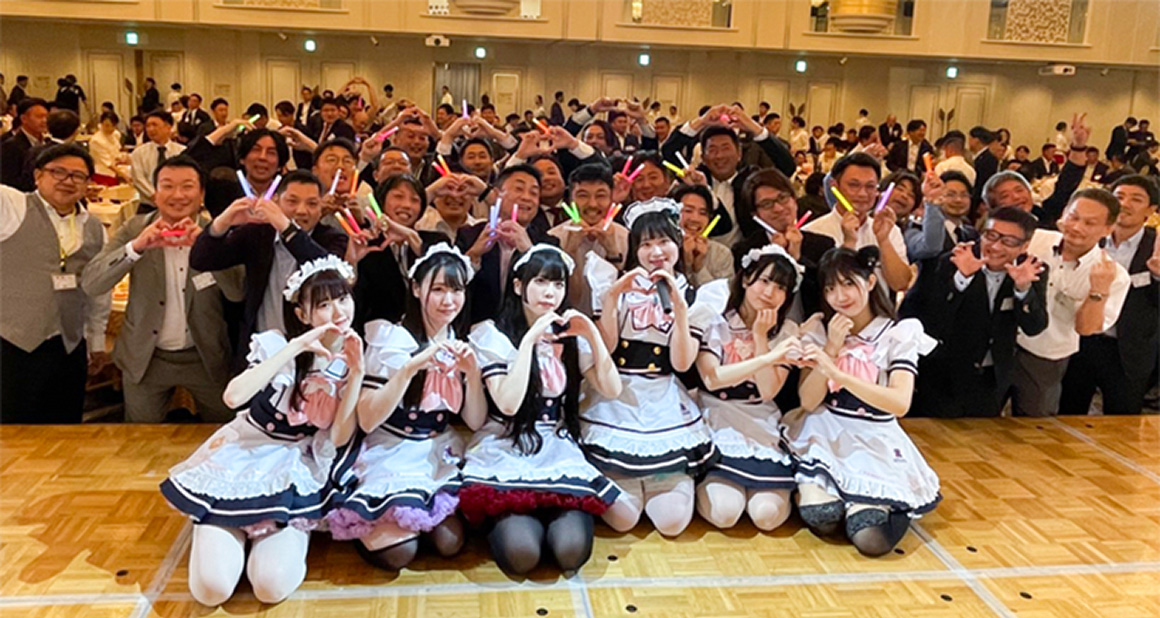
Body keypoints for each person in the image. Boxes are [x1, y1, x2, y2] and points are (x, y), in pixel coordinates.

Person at [160, 256, 362, 606]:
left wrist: (357, 373)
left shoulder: (355, 355)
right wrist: (296, 347)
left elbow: (340, 437)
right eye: (323, 304)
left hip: (295, 465)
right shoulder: (275, 344)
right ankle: (213, 520)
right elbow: (233, 397)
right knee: (211, 590)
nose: (338, 311)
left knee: (271, 586)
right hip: (243, 455)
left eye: (343, 299)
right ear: (302, 314)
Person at [463, 245, 622, 574]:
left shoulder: (568, 336)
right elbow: (508, 403)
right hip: (507, 444)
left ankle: (546, 510)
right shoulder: (492, 335)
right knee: (522, 555)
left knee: (570, 552)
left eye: (558, 284)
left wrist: (592, 335)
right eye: (540, 282)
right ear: (518, 286)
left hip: (556, 446)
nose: (550, 293)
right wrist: (530, 340)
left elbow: (612, 388)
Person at [331, 244, 484, 570]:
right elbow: (367, 419)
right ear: (416, 289)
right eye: (438, 289)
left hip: (436, 451)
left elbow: (474, 421)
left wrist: (472, 374)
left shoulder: (460, 341)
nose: (448, 300)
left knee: (450, 544)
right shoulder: (391, 339)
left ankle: (409, 525)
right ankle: (388, 526)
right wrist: (408, 369)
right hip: (391, 448)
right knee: (399, 554)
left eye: (456, 290)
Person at [782, 247, 940, 556]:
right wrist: (831, 347)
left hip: (875, 436)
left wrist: (838, 374)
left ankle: (885, 503)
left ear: (869, 282)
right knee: (823, 517)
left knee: (870, 539)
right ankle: (839, 498)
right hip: (828, 429)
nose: (840, 296)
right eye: (830, 288)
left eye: (848, 283)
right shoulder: (820, 329)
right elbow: (809, 401)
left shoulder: (897, 333)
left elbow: (899, 403)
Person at [580, 198, 717, 537]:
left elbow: (682, 362)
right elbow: (606, 348)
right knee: (624, 519)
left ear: (678, 243)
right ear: (635, 250)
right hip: (617, 396)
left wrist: (680, 310)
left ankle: (658, 477)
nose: (656, 252)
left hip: (664, 398)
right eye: (646, 244)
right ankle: (626, 476)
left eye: (664, 242)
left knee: (671, 523)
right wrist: (613, 295)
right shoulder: (615, 284)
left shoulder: (694, 295)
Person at [82, 156, 241, 423]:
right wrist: (135, 248)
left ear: (201, 194)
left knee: (223, 432)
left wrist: (209, 249)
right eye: (167, 186)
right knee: (140, 437)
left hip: (205, 356)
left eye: (187, 186)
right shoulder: (135, 228)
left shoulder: (217, 232)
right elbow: (92, 283)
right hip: (146, 357)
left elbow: (237, 292)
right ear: (155, 194)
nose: (177, 195)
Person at [190, 169, 349, 371]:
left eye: (312, 204)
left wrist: (286, 227)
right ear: (275, 201)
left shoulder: (333, 238)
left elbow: (329, 270)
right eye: (292, 201)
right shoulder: (258, 234)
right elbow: (201, 260)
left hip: (313, 353)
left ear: (321, 208)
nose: (302, 211)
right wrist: (223, 221)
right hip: (260, 349)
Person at [690, 245, 802, 532]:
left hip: (759, 417)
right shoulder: (716, 319)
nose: (770, 292)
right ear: (745, 279)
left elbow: (767, 391)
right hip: (716, 412)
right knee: (725, 513)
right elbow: (713, 379)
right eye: (764, 280)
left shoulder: (786, 331)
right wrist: (766, 358)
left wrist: (760, 337)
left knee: (767, 516)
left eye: (780, 287)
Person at [0, 144, 110, 423]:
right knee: (12, 430)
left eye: (78, 176)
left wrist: (96, 341)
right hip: (13, 342)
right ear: (38, 176)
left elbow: (98, 291)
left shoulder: (95, 228)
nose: (67, 181)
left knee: (66, 425)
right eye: (57, 172)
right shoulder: (13, 207)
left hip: (69, 346)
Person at [902, 207, 1048, 417]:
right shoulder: (954, 260)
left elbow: (1034, 327)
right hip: (945, 373)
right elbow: (933, 321)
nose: (995, 246)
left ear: (1024, 246)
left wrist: (1023, 289)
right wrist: (962, 279)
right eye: (991, 236)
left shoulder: (1032, 270)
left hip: (991, 376)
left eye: (1008, 241)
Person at [1012, 188, 1131, 416]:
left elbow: (1086, 329)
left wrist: (1098, 290)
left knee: (1032, 425)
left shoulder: (1114, 275)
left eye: (1090, 223)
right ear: (1064, 213)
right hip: (1002, 342)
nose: (1076, 227)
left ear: (1108, 228)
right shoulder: (1035, 239)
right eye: (1073, 217)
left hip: (1045, 355)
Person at [1060, 176, 1160, 415]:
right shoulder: (1089, 237)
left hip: (1128, 348)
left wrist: (1158, 277)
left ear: (1151, 210)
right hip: (1080, 341)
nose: (1125, 204)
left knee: (1123, 418)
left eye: (1136, 199)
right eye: (1119, 197)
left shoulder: (1156, 245)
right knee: (1069, 412)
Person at [662, 104, 795, 246]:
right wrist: (702, 121)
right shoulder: (694, 180)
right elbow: (668, 151)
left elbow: (787, 166)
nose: (719, 156)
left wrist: (754, 127)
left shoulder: (750, 180)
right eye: (712, 149)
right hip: (693, 249)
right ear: (703, 157)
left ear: (739, 154)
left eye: (726, 148)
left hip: (746, 253)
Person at [457, 164, 557, 324]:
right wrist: (474, 255)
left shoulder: (547, 243)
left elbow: (554, 295)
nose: (526, 197)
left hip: (527, 330)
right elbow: (453, 286)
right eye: (519, 189)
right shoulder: (469, 236)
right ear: (497, 195)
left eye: (534, 193)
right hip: (475, 329)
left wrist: (529, 252)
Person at [802, 153, 912, 292]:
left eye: (870, 186)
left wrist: (884, 240)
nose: (862, 194)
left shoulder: (889, 229)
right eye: (854, 185)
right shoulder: (813, 232)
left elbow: (901, 284)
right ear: (834, 186)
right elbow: (817, 289)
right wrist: (848, 243)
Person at [547, 164, 628, 312]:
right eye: (583, 196)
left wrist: (613, 253)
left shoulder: (627, 237)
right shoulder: (553, 238)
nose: (592, 204)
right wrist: (570, 252)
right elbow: (566, 299)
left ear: (611, 199)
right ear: (570, 200)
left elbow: (625, 298)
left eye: (601, 196)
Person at [673, 183, 734, 286]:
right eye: (688, 210)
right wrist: (686, 264)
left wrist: (699, 268)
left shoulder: (721, 253)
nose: (695, 218)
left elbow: (722, 294)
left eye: (703, 213)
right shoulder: (661, 250)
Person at [130, 111, 186, 205]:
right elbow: (138, 179)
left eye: (154, 125)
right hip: (148, 205)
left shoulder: (182, 151)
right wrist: (156, 196)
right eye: (148, 126)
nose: (151, 129)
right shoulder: (139, 153)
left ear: (168, 127)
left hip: (177, 204)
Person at [1, 98, 49, 191]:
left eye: (47, 117)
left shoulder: (47, 143)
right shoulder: (11, 146)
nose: (44, 120)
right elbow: (8, 181)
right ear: (24, 119)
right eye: (39, 117)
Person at [89, 111, 123, 184]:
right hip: (102, 173)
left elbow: (117, 151)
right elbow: (107, 163)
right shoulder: (96, 140)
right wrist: (124, 175)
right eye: (107, 125)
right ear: (101, 124)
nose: (111, 128)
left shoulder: (116, 134)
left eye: (113, 126)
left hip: (116, 170)